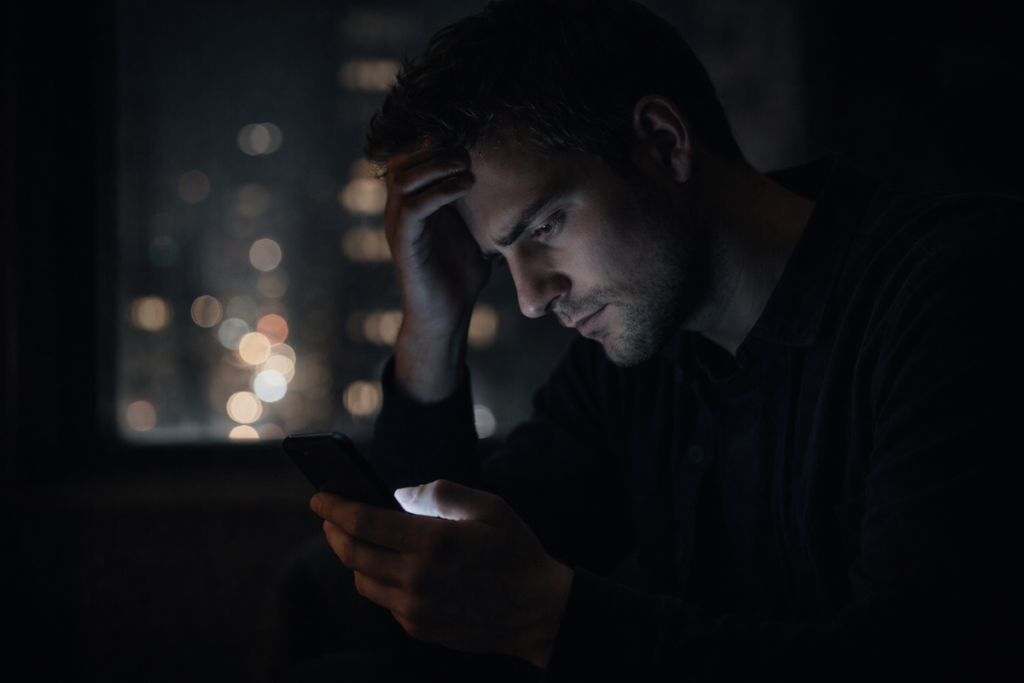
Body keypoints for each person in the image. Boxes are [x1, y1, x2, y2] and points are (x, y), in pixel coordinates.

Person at [304, 0, 1021, 680]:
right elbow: (444, 624)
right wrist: (432, 327)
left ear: (663, 141)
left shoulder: (955, 294)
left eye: (545, 226)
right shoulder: (629, 365)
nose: (529, 298)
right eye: (501, 260)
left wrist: (550, 618)